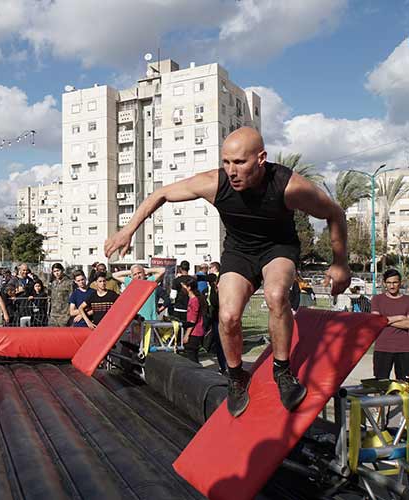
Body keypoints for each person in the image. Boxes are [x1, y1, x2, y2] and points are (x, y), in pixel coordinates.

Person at [105, 126, 350, 417]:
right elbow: (161, 194)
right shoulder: (214, 183)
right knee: (228, 314)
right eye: (226, 162)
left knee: (275, 295)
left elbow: (334, 212)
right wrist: (127, 231)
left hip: (278, 248)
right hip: (239, 252)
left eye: (240, 163)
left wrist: (339, 263)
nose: (231, 171)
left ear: (261, 159)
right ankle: (236, 377)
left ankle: (282, 371)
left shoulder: (289, 186)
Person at [371, 270, 409, 380]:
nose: (392, 286)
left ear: (400, 283)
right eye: (389, 283)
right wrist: (399, 317)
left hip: (404, 349)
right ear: (384, 283)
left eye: (395, 282)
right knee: (380, 384)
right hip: (383, 348)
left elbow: (408, 324)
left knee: (404, 385)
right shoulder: (377, 299)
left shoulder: (407, 300)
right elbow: (375, 321)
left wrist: (385, 320)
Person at [180, 277, 208, 364]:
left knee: (191, 356)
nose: (182, 289)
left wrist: (186, 335)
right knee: (193, 355)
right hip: (197, 331)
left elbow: (192, 320)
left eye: (183, 286)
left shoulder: (194, 301)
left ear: (189, 288)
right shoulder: (195, 299)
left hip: (194, 332)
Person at [207, 262, 228, 374]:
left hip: (220, 316)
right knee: (220, 342)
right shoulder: (215, 285)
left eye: (210, 268)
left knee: (221, 342)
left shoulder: (218, 284)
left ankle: (225, 367)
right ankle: (224, 366)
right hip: (217, 316)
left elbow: (215, 302)